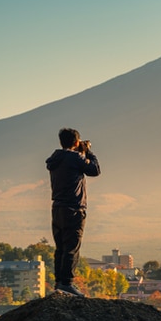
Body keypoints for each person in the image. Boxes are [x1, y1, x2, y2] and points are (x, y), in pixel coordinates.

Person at [46, 127, 100, 296]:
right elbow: (95, 170)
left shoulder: (55, 159)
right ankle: (67, 283)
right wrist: (88, 152)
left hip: (57, 208)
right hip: (74, 208)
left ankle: (58, 283)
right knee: (72, 247)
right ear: (76, 142)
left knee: (60, 248)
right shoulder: (75, 158)